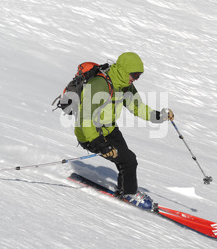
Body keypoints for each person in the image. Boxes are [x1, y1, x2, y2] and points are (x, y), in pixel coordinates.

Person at [75, 52, 174, 211]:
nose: (135, 79)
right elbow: (84, 118)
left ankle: (125, 190)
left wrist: (159, 116)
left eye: (139, 76)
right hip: (90, 134)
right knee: (129, 160)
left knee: (126, 160)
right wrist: (99, 144)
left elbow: (138, 107)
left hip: (110, 129)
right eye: (134, 75)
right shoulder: (99, 85)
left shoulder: (125, 84)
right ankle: (129, 194)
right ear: (123, 70)